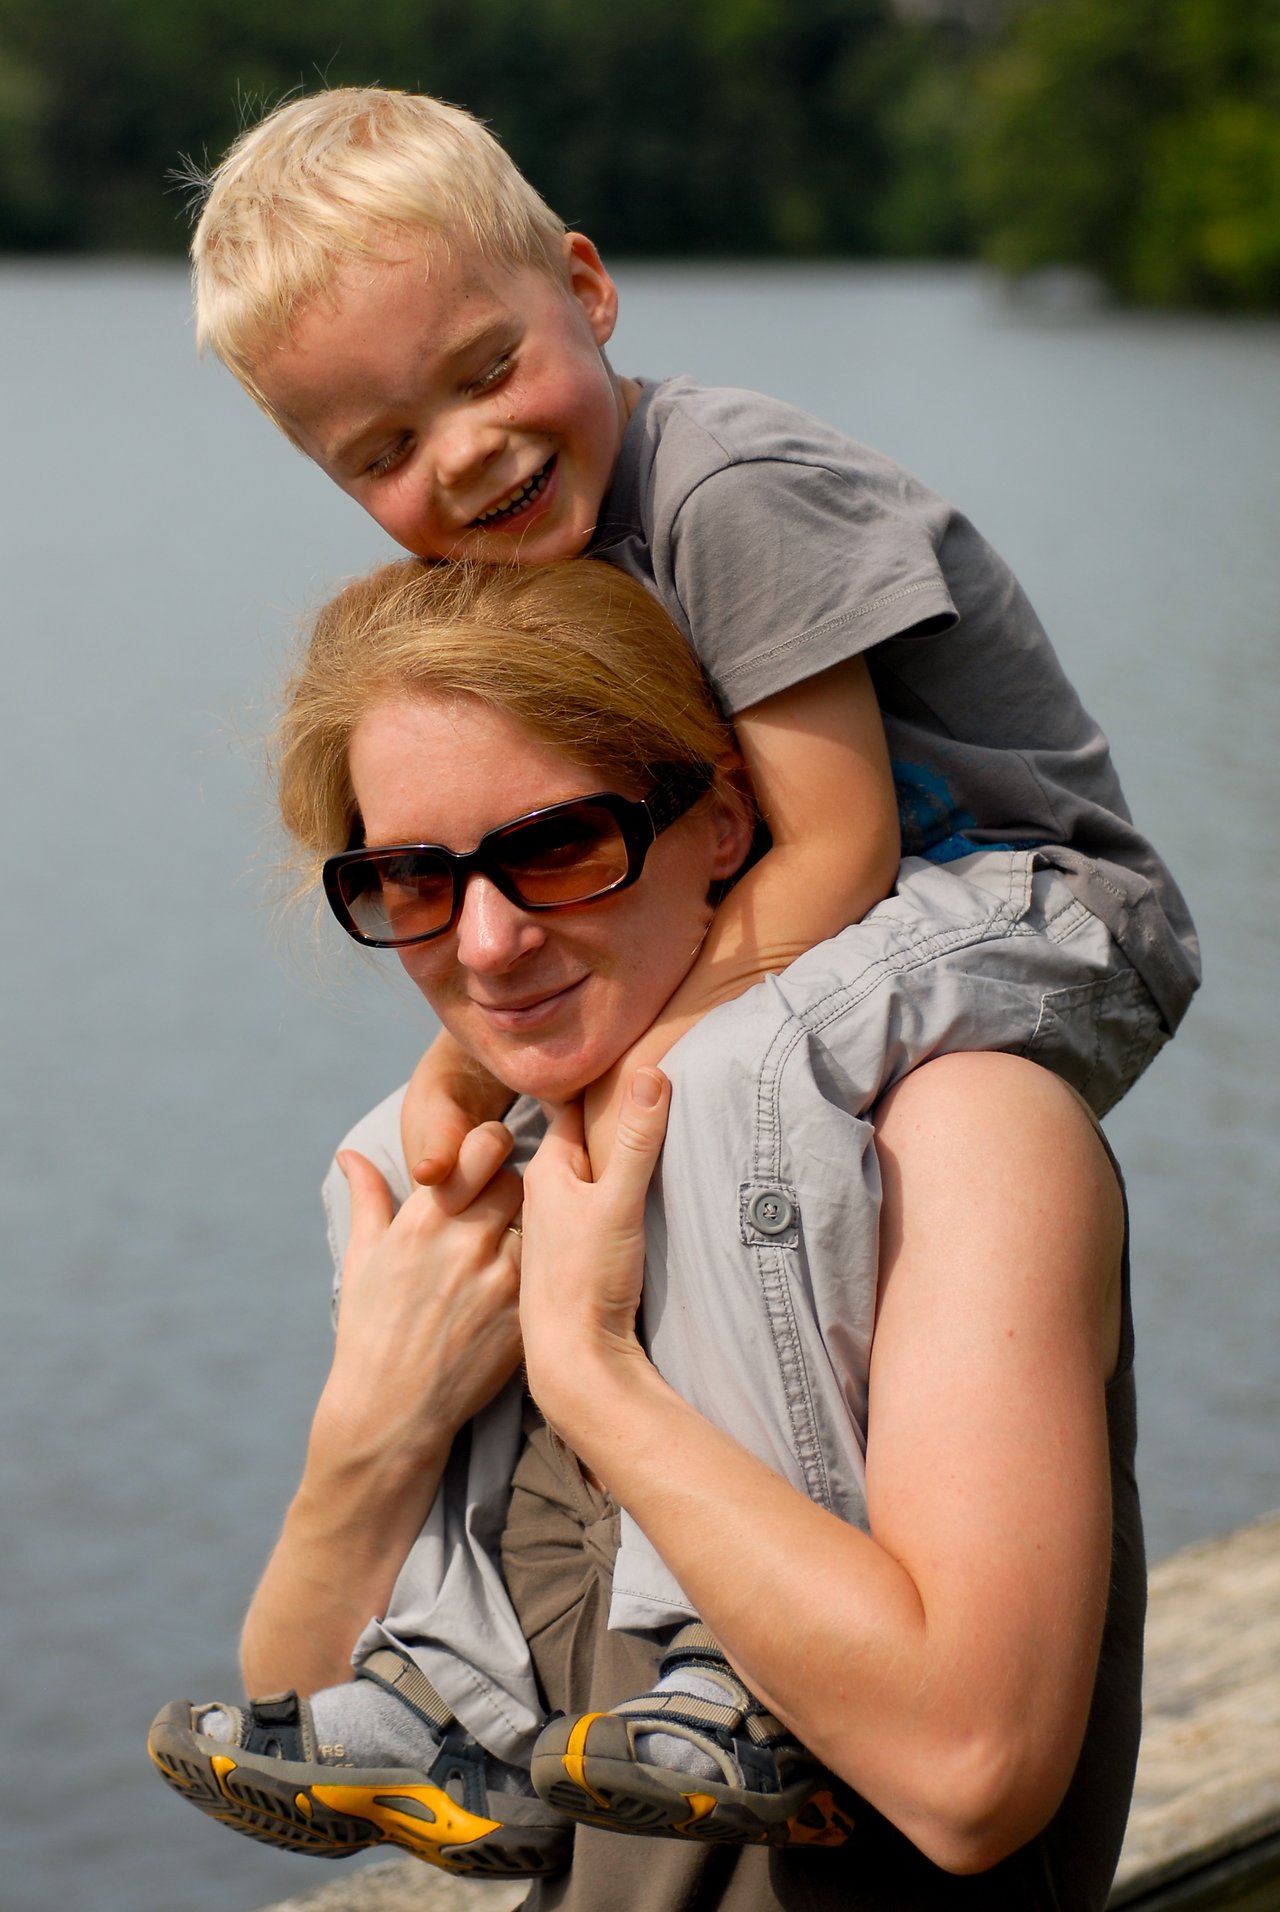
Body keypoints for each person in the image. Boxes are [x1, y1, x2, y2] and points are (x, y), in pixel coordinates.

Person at [148, 558, 1145, 1912]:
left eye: (557, 846)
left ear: (725, 823)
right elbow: (306, 1717)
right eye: (412, 879)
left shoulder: (961, 1139)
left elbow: (972, 1776)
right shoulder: (483, 1181)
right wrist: (370, 1433)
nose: (489, 943)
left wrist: (589, 1373)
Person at [186, 85, 1198, 1199]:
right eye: (384, 454)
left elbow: (834, 848)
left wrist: (632, 1064)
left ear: (586, 287)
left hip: (1035, 902)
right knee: (441, 1157)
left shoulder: (723, 493)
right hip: (852, 919)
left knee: (698, 1088)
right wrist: (470, 1062)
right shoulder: (506, 550)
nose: (466, 451)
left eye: (484, 373)